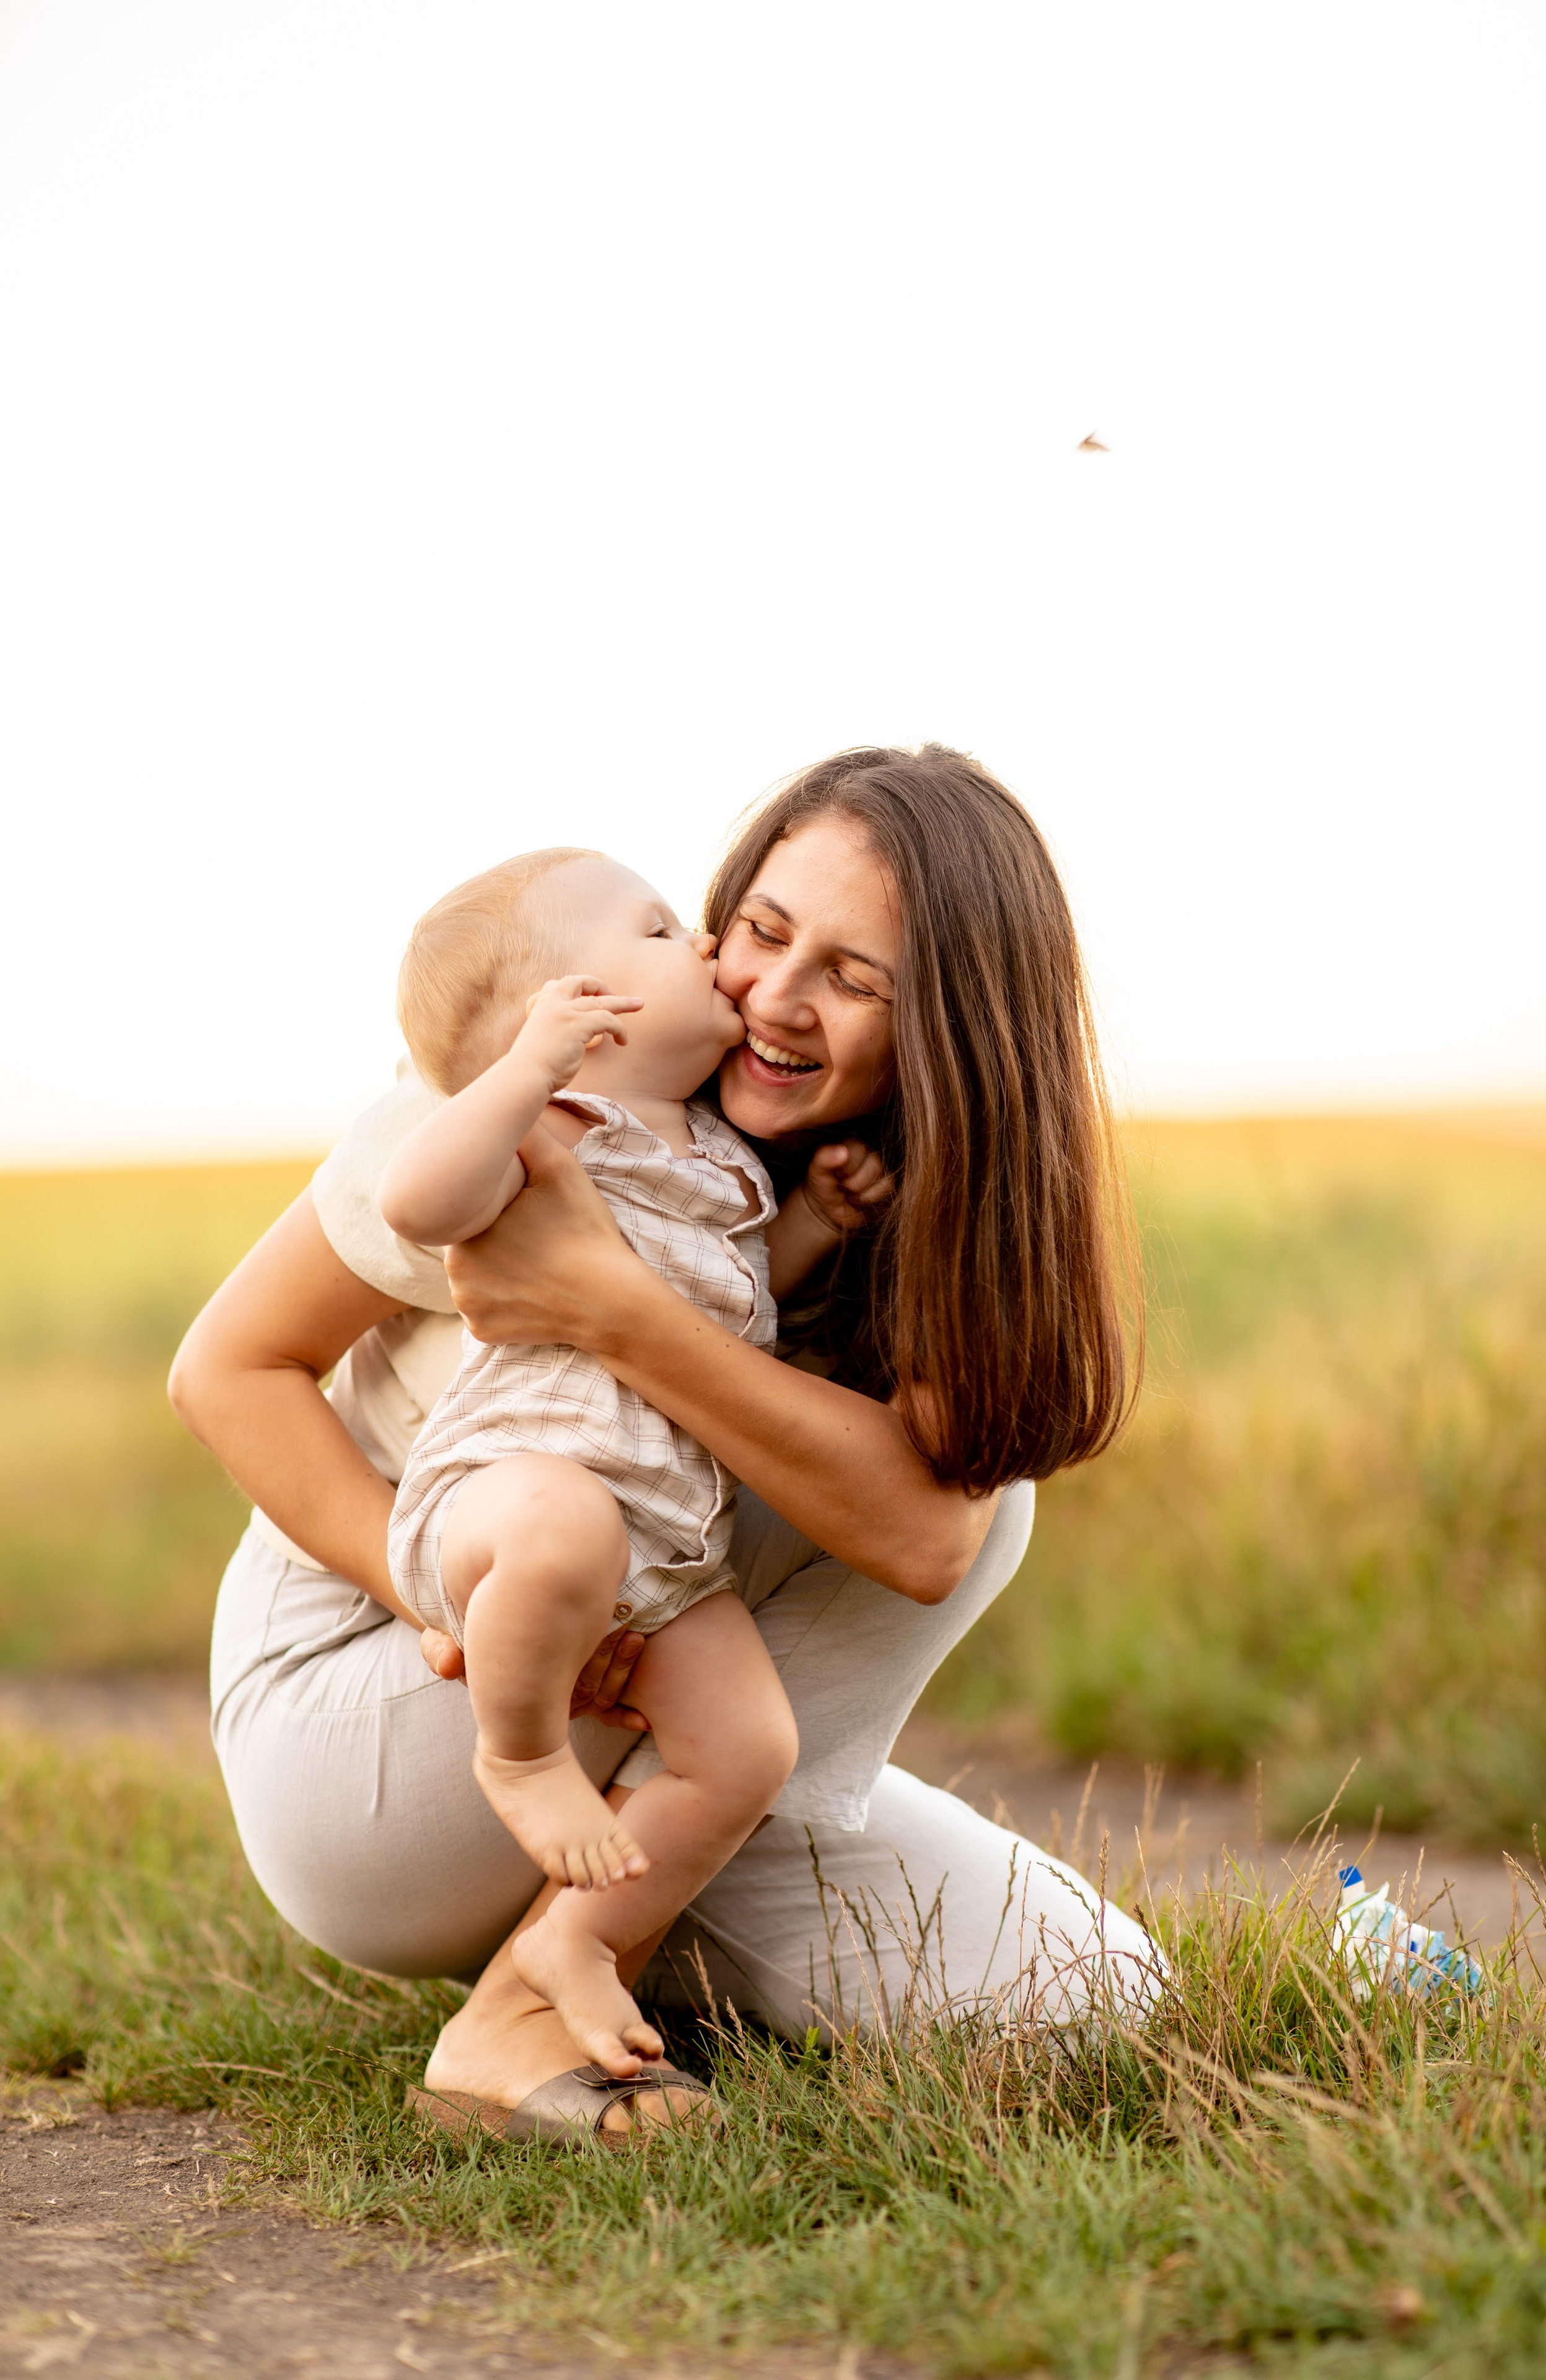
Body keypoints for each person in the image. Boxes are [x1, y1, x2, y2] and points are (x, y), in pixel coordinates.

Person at [170, 743, 1161, 2151]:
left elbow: (920, 1541)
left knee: (1093, 1998)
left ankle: (607, 1927)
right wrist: (443, 1610)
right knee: (926, 1491)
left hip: (671, 1713)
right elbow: (229, 1369)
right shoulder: (527, 1105)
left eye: (855, 978)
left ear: (954, 1028)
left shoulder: (848, 1202)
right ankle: (517, 2016)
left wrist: (613, 1308)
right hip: (400, 1690)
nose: (772, 994)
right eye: (761, 930)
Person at [379, 847, 894, 2081]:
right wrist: (520, 1075)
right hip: (510, 1491)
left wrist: (814, 1224)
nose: (713, 951)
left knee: (746, 1748)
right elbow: (419, 1201)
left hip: (663, 1550)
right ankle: (518, 1756)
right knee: (565, 1529)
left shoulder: (715, 1166)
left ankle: (577, 1941)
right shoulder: (559, 1126)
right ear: (582, 1020)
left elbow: (725, 1316)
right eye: (664, 932)